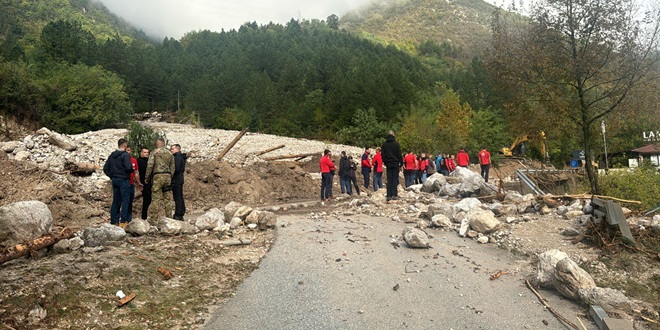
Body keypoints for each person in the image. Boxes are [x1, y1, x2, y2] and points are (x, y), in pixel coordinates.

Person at [103, 138, 134, 226]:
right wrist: (131, 171)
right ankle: (123, 221)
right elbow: (128, 167)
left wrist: (112, 176)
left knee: (116, 201)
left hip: (115, 180)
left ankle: (114, 221)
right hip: (124, 180)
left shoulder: (112, 155)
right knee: (125, 201)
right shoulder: (125, 155)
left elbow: (106, 168)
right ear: (124, 145)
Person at [145, 138, 175, 224]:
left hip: (158, 176)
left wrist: (147, 177)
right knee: (168, 199)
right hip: (167, 176)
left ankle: (154, 220)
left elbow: (150, 165)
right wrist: (170, 176)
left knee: (155, 199)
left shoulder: (154, 152)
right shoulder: (170, 154)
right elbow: (173, 167)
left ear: (157, 144)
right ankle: (169, 219)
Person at [381, 130, 403, 202]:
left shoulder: (384, 144)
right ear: (393, 135)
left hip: (388, 163)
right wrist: (401, 163)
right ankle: (394, 194)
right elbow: (399, 154)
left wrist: (385, 162)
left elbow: (383, 155)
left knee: (389, 179)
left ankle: (389, 195)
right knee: (395, 179)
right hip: (395, 163)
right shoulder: (396, 144)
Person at [125, 146, 142, 226]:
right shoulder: (122, 159)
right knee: (124, 201)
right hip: (124, 183)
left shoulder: (134, 160)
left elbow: (136, 172)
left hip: (131, 183)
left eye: (129, 150)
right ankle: (122, 219)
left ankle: (129, 219)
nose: (128, 152)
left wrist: (139, 183)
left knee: (130, 202)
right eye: (126, 150)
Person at [171, 144, 187, 220]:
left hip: (177, 179)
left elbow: (176, 168)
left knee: (177, 197)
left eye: (172, 149)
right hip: (180, 178)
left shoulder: (177, 157)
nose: (171, 150)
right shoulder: (181, 157)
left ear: (177, 149)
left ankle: (178, 213)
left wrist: (172, 176)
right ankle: (181, 211)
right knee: (180, 196)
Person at [137, 147, 152, 221]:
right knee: (146, 200)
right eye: (145, 152)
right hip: (143, 183)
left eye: (147, 152)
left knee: (148, 200)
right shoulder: (139, 161)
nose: (146, 154)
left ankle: (145, 216)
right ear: (141, 153)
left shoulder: (147, 161)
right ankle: (144, 217)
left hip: (148, 183)